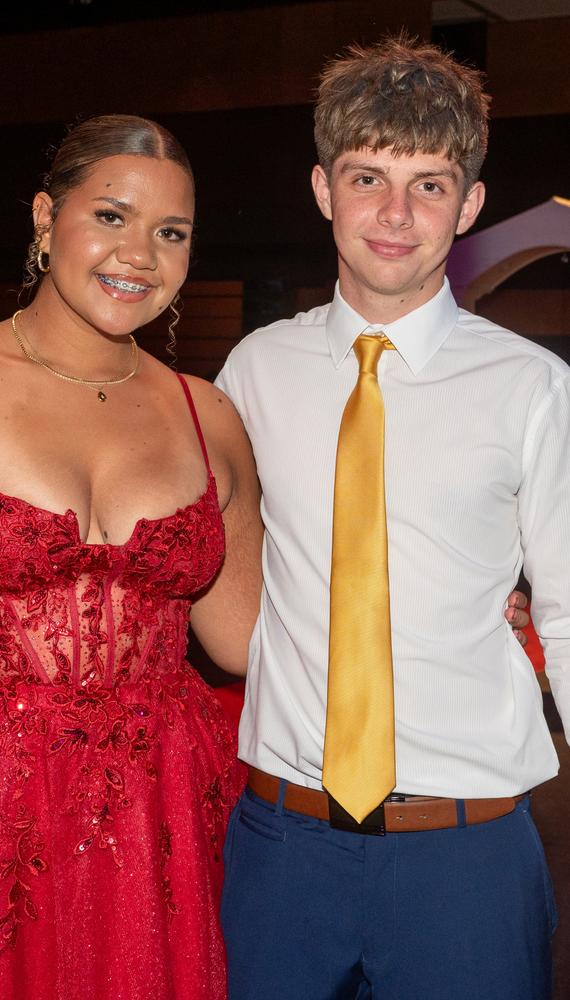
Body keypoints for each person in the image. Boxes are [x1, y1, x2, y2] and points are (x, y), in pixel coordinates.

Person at [217, 37, 570, 1000]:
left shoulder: (534, 387)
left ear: (470, 205)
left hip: (469, 856)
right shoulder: (252, 372)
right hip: (280, 847)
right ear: (324, 189)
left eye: (430, 183)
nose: (396, 214)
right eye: (369, 177)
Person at [0, 115, 263, 1000]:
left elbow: (245, 640)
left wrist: (448, 596)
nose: (139, 255)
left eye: (171, 232)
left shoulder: (207, 415)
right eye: (111, 216)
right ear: (44, 218)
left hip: (154, 828)